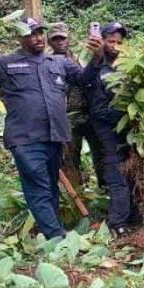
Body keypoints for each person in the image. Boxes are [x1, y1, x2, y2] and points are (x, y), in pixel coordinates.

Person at [0, 16, 104, 239]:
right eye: (31, 34)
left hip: (55, 136)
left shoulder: (58, 63)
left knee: (51, 186)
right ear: (20, 37)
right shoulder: (5, 63)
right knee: (38, 186)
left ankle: (52, 229)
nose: (37, 38)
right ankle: (56, 237)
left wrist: (97, 57)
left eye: (39, 33)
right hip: (24, 138)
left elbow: (84, 79)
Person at [84, 22, 137, 237]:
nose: (115, 46)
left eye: (119, 42)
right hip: (106, 128)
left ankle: (134, 214)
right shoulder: (96, 64)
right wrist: (95, 58)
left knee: (133, 171)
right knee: (116, 175)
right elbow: (85, 83)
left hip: (129, 127)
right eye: (111, 41)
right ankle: (117, 222)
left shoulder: (128, 65)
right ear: (103, 41)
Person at [48, 22, 105, 188]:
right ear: (50, 42)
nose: (60, 42)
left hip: (90, 113)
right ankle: (76, 195)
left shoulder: (82, 57)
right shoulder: (48, 63)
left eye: (63, 38)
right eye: (55, 39)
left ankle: (104, 189)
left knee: (100, 154)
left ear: (69, 39)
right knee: (70, 158)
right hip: (68, 117)